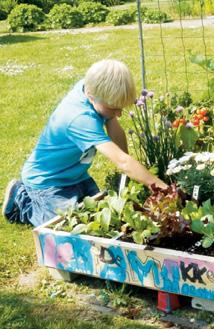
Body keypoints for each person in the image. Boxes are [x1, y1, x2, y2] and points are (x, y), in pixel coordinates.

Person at [2, 59, 167, 227]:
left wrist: (130, 173)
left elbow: (119, 144)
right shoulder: (79, 119)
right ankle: (21, 201)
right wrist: (163, 189)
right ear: (90, 95)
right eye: (113, 108)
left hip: (76, 175)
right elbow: (123, 161)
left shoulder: (94, 89)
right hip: (47, 183)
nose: (119, 114)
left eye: (121, 107)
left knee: (101, 217)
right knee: (66, 227)